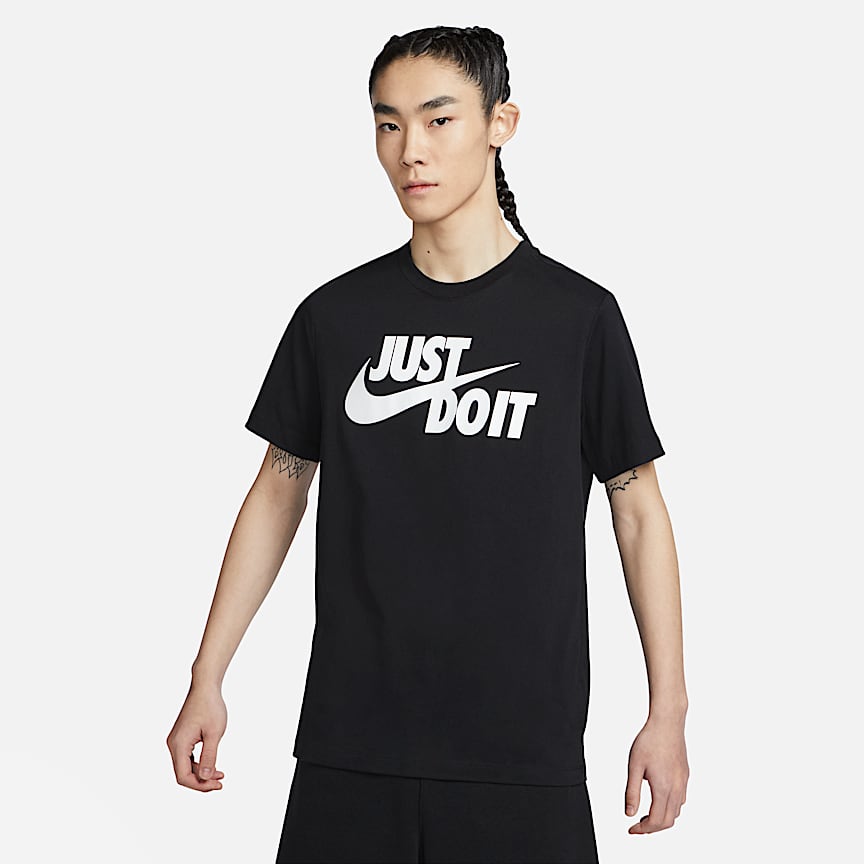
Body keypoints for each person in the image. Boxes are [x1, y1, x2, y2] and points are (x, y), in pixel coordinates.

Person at [166, 24, 689, 863]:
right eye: (389, 123)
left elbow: (639, 514)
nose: (410, 149)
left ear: (500, 123)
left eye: (439, 119)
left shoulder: (578, 319)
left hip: (522, 753)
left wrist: (668, 712)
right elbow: (278, 489)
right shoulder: (336, 317)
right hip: (351, 747)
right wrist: (207, 676)